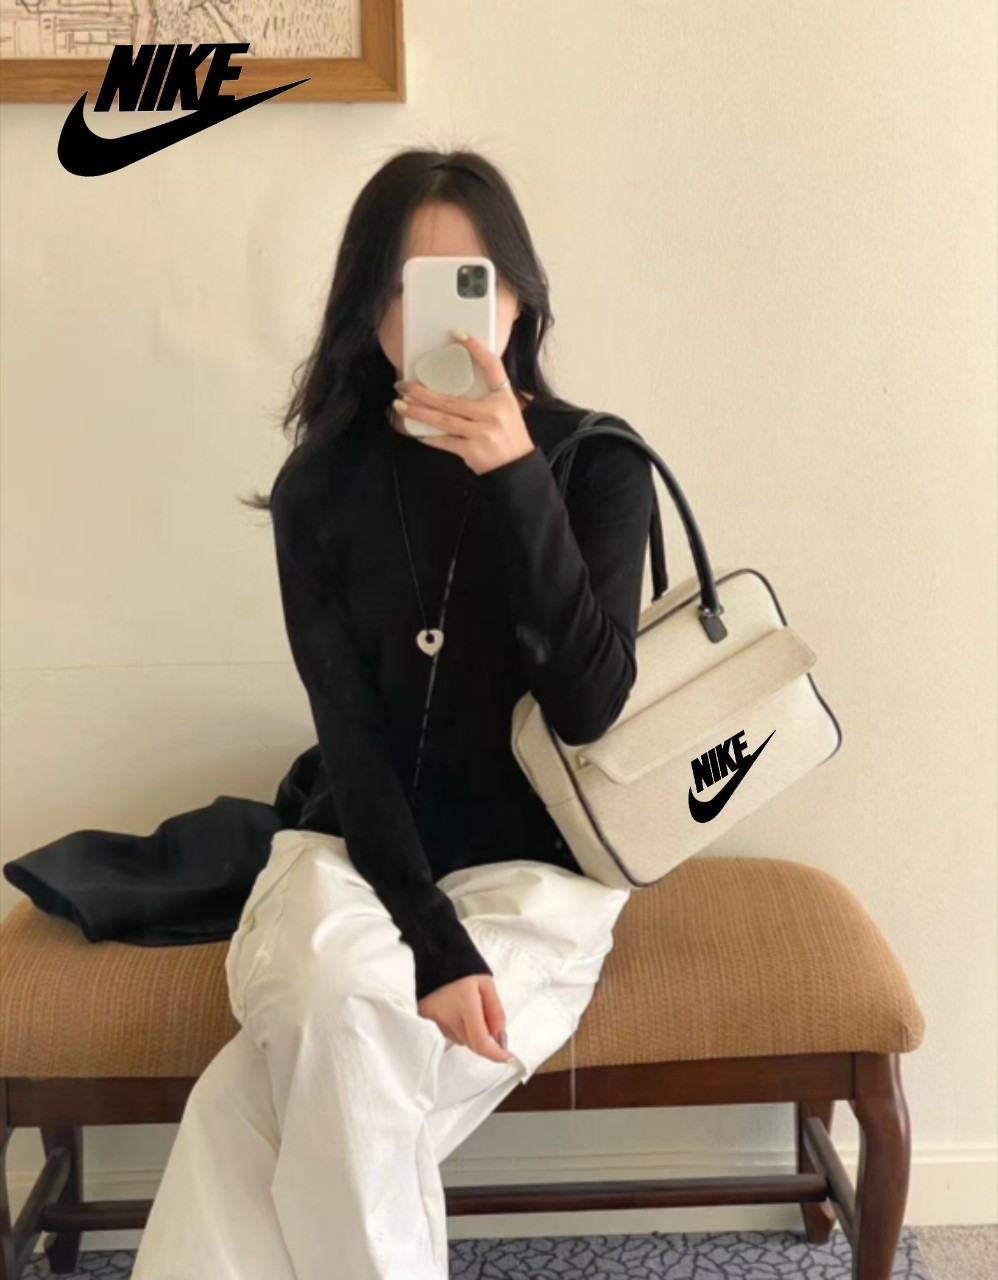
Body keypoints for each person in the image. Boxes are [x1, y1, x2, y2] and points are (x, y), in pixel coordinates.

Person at [131, 147, 655, 1280]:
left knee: (255, 1099)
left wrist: (515, 477)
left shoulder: (596, 465)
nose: (440, 317)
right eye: (404, 288)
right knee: (345, 1002)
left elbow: (591, 705)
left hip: (540, 880)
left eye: (470, 283)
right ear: (367, 310)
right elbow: (352, 743)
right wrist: (432, 943)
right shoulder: (321, 488)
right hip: (354, 855)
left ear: (519, 296)